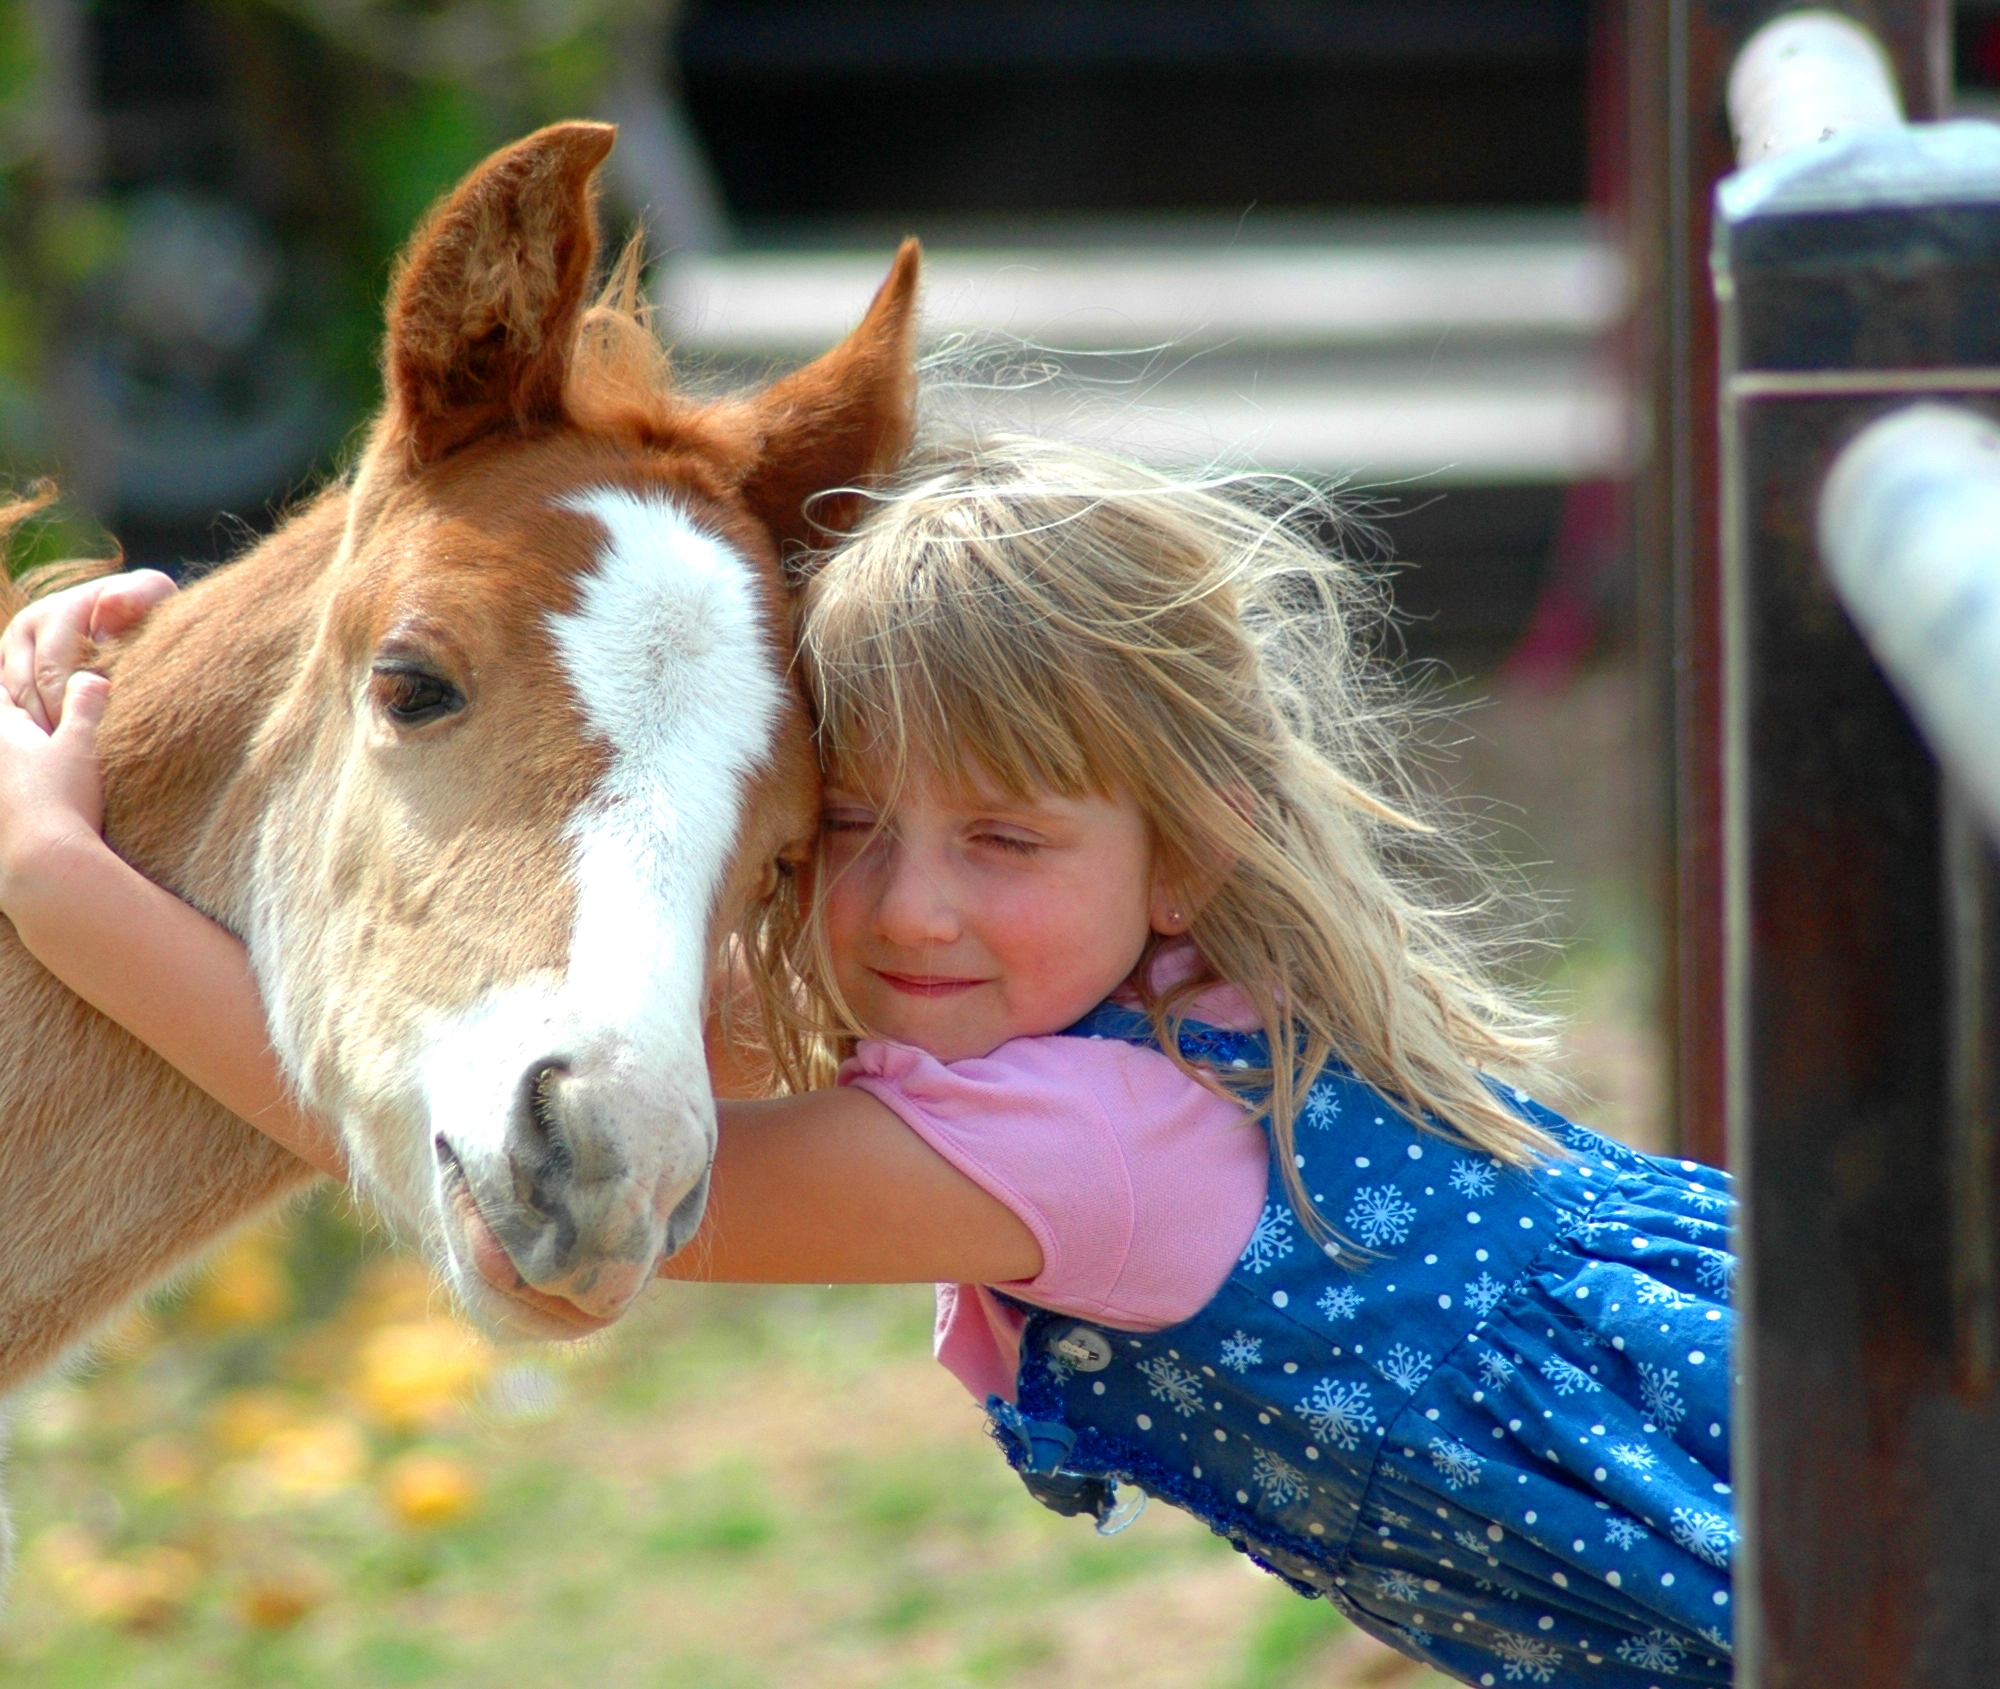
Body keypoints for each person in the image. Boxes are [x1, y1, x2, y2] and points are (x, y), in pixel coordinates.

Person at [0, 443, 1736, 1688]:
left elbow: (598, 1206)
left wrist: (60, 881)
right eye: (842, 827)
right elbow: (689, 1001)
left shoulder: (1085, 1138)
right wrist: (154, 696)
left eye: (1000, 834)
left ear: (1187, 844)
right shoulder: (1137, 979)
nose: (912, 906)